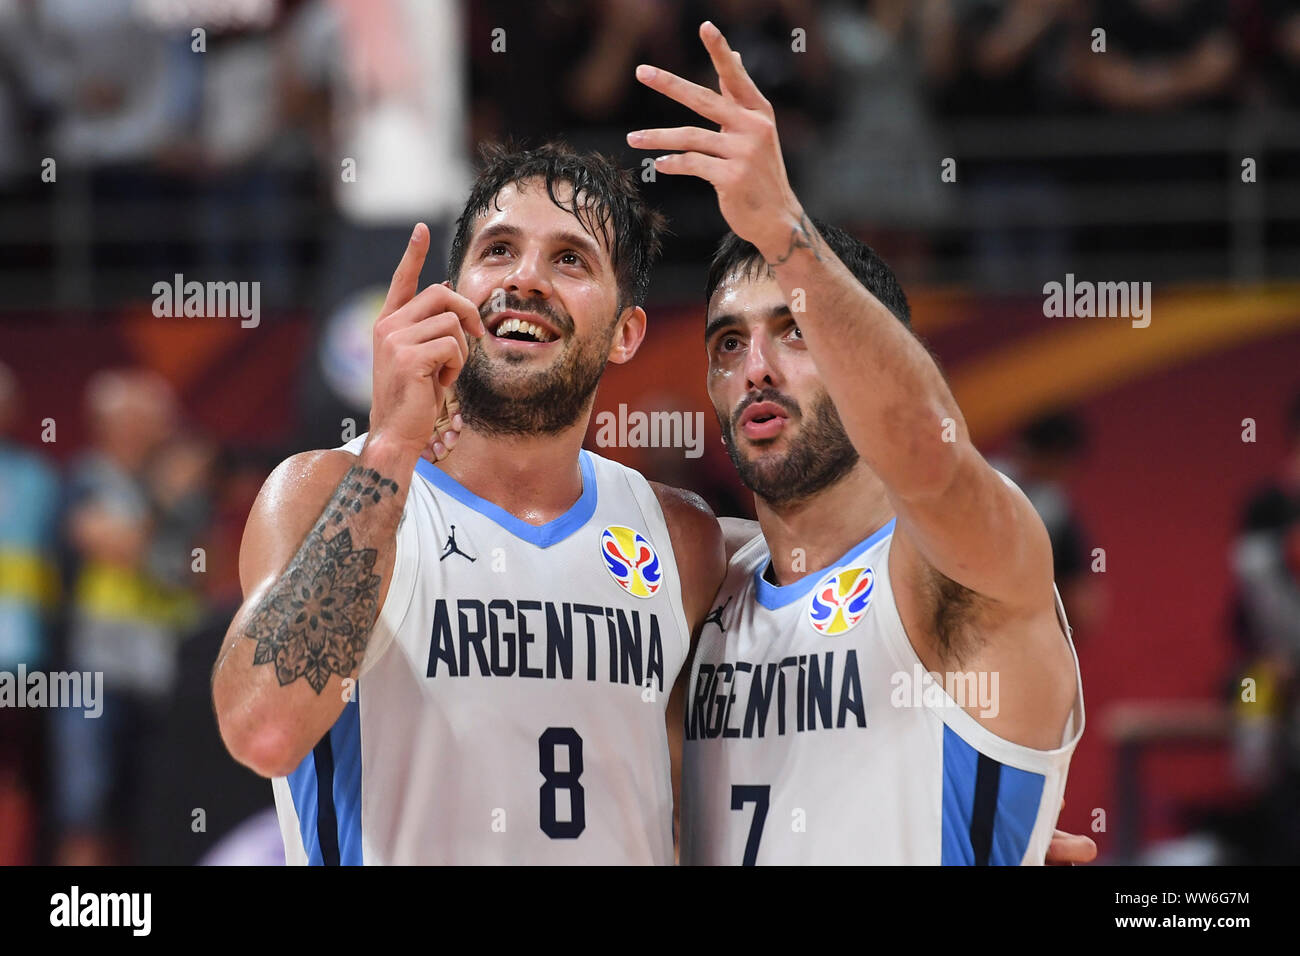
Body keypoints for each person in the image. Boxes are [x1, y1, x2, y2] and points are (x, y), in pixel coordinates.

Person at [628, 21, 1085, 863]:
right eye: (728, 344)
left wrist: (789, 235)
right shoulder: (701, 587)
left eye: (793, 332)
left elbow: (926, 450)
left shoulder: (956, 566)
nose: (756, 367)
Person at [211, 142, 725, 864]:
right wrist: (392, 444)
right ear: (453, 293)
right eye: (499, 249)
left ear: (626, 333)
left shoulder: (679, 539)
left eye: (570, 259)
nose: (525, 278)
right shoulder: (324, 490)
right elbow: (264, 728)